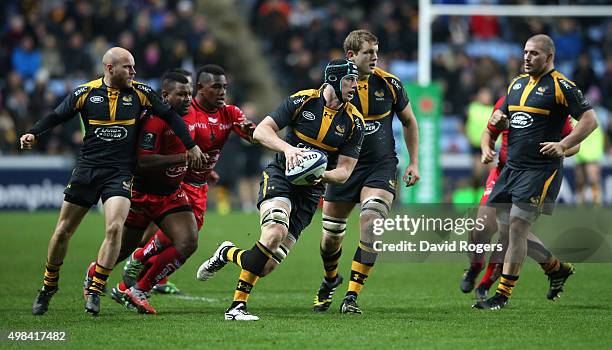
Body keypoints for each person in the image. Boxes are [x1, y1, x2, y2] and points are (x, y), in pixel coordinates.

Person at [24, 47, 204, 316]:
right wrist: (33, 133)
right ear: (110, 68)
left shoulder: (142, 93)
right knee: (63, 231)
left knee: (115, 228)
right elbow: (57, 115)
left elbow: (169, 115)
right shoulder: (84, 93)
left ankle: (95, 288)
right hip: (87, 170)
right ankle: (49, 286)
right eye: (128, 67)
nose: (133, 72)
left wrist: (191, 146)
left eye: (133, 67)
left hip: (119, 173)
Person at [196, 59, 365, 321]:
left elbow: (344, 172)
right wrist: (289, 150)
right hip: (281, 176)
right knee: (275, 230)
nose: (355, 85)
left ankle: (226, 252)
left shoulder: (354, 121)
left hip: (310, 193)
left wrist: (320, 176)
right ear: (333, 80)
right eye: (349, 80)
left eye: (356, 80)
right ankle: (237, 306)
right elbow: (262, 131)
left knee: (264, 267)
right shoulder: (302, 101)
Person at [110, 64, 256, 313]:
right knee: (184, 239)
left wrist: (261, 134)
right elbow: (165, 147)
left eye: (225, 87)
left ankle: (134, 269)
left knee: (180, 240)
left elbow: (252, 136)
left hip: (199, 186)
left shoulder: (230, 113)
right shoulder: (182, 114)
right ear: (200, 88)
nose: (223, 92)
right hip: (176, 183)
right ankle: (134, 279)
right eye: (217, 87)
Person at [475, 34, 598, 310]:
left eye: (534, 53)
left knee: (518, 227)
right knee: (508, 232)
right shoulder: (517, 84)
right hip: (511, 168)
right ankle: (555, 269)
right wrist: (500, 121)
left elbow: (590, 120)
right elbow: (503, 119)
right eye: (525, 52)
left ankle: (502, 295)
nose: (527, 58)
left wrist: (563, 145)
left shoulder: (561, 86)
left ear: (549, 57)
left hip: (539, 170)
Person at [312, 29, 420, 314]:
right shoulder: (336, 87)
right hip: (343, 169)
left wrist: (414, 162)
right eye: (368, 53)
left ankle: (351, 297)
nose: (375, 57)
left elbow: (409, 122)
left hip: (380, 166)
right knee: (330, 239)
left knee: (371, 221)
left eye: (376, 51)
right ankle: (329, 280)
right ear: (351, 56)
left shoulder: (390, 84)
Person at [460, 95, 579, 302]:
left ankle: (488, 284)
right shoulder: (507, 101)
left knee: (512, 230)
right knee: (482, 228)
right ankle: (476, 266)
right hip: (502, 174)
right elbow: (489, 132)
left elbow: (575, 143)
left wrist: (561, 147)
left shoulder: (554, 105)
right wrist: (486, 148)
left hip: (532, 176)